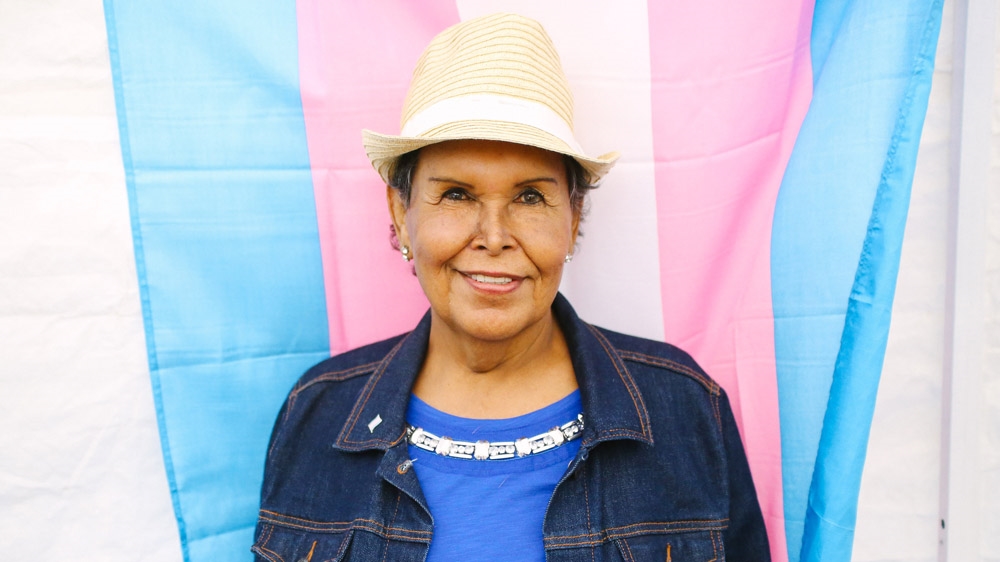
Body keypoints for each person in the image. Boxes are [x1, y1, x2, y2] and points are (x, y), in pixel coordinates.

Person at [253, 12, 769, 562]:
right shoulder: (317, 413)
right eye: (455, 194)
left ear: (572, 217)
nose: (494, 237)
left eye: (529, 197)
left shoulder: (683, 410)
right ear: (401, 214)